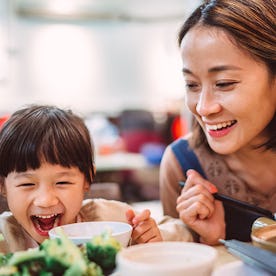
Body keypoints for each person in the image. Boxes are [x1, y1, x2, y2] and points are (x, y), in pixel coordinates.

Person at [160, 0, 276, 245]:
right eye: (192, 85)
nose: (203, 108)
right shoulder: (181, 165)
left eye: (224, 83)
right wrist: (209, 242)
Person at [0, 105, 172, 253]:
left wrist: (150, 239)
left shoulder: (115, 219)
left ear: (87, 180)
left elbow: (178, 231)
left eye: (62, 182)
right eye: (27, 184)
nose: (45, 201)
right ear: (2, 186)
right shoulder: (4, 239)